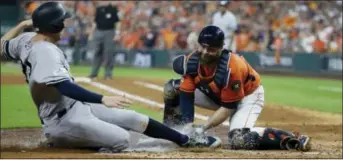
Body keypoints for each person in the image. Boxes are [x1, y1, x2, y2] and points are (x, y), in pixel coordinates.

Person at [0, 2, 221, 153]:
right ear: (54, 26)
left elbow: (2, 46)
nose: (65, 24)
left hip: (76, 106)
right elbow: (64, 86)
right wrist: (101, 98)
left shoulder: (27, 39)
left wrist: (21, 25)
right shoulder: (45, 51)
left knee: (135, 119)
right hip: (62, 120)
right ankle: (67, 141)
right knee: (122, 139)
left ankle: (184, 140)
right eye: (62, 21)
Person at [162, 25, 311, 151]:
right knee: (173, 88)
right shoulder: (191, 62)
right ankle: (171, 133)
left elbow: (228, 108)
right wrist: (187, 127)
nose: (207, 52)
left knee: (239, 140)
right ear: (198, 45)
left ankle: (291, 138)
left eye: (212, 49)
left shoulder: (232, 68)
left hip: (247, 97)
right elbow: (186, 95)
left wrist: (202, 128)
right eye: (204, 47)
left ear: (221, 49)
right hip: (218, 94)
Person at [88, 1, 120, 80]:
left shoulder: (113, 9)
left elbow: (118, 22)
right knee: (97, 52)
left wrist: (117, 34)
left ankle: (108, 74)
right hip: (98, 31)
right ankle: (94, 73)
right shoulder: (98, 9)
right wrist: (91, 33)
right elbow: (95, 22)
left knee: (109, 53)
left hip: (110, 32)